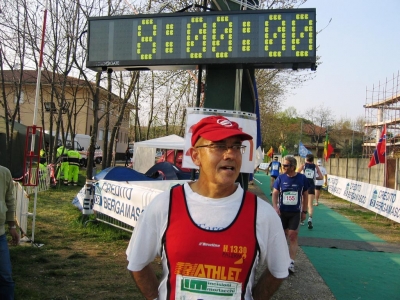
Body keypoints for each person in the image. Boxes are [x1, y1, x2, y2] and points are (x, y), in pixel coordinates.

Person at [126, 115, 290, 299]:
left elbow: (279, 270)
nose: (230, 154)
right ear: (196, 156)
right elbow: (137, 263)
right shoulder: (165, 205)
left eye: (236, 147)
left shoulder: (262, 214)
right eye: (219, 146)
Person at [272, 156, 309, 274]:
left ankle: (291, 262)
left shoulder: (301, 178)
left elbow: (305, 195)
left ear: (293, 167)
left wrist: (304, 211)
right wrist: (275, 206)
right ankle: (281, 259)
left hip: (295, 213)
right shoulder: (281, 178)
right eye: (283, 165)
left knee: (292, 236)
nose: (283, 167)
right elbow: (275, 193)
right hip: (283, 212)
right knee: (282, 236)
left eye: (286, 165)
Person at [0, 165, 20, 299]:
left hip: (0, 234)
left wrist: (12, 226)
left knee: (5, 276)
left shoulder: (4, 172)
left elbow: (10, 200)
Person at [296, 154, 323, 230]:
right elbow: (321, 177)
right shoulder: (315, 166)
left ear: (306, 159)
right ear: (312, 159)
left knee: (301, 203)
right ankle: (310, 219)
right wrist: (315, 177)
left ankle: (301, 220)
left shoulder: (303, 165)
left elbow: (297, 173)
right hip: (311, 187)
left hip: (303, 187)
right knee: (310, 205)